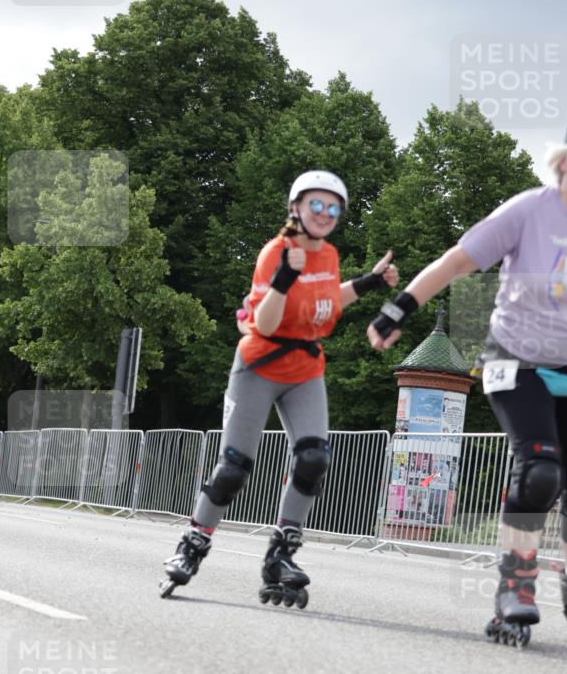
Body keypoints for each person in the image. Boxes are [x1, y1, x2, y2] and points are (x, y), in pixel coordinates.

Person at [367, 120, 567, 647]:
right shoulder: (528, 210)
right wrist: (399, 307)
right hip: (514, 360)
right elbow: (457, 261)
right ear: (565, 160)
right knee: (539, 471)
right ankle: (514, 586)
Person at [160, 170, 399, 606]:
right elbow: (265, 323)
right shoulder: (276, 253)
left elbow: (326, 301)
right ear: (296, 208)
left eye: (333, 207)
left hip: (305, 367)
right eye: (316, 204)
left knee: (313, 459)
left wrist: (369, 283)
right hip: (259, 364)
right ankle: (192, 544)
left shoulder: (329, 255)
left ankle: (280, 555)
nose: (325, 213)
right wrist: (284, 279)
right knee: (234, 468)